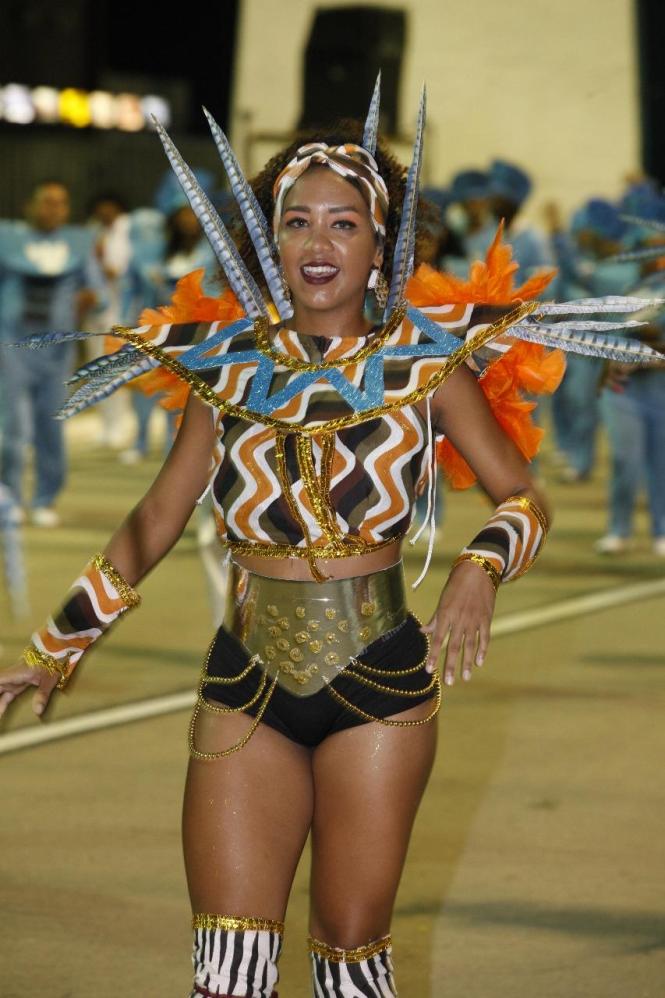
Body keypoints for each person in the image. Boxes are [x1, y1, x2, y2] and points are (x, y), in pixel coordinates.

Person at [0, 81, 658, 997]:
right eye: (297, 222)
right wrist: (54, 649)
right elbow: (152, 522)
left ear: (379, 246)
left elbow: (523, 499)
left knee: (350, 960)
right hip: (244, 682)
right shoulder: (223, 370)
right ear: (271, 240)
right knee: (227, 971)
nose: (319, 243)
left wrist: (478, 567)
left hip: (379, 681)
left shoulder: (427, 367)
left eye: (344, 225)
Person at [0, 180, 107, 526]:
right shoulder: (8, 239)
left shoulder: (78, 246)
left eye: (60, 203)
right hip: (11, 347)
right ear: (29, 206)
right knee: (12, 430)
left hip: (57, 353)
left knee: (51, 426)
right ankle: (10, 496)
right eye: (46, 201)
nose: (53, 209)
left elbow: (100, 293)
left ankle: (45, 498)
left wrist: (90, 299)